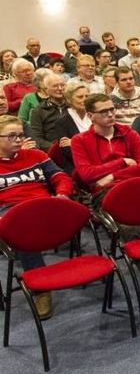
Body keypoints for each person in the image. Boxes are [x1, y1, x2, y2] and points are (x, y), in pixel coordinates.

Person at [70, 93, 140, 304]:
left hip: (134, 186)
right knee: (131, 222)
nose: (110, 114)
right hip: (106, 194)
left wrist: (109, 175)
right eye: (104, 112)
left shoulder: (129, 133)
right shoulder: (80, 140)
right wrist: (121, 163)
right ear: (91, 115)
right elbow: (87, 175)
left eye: (111, 109)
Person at [0, 114, 73, 320]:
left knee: (78, 213)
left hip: (44, 206)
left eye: (21, 135)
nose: (18, 140)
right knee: (23, 230)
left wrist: (62, 193)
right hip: (9, 212)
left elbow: (59, 176)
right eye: (11, 136)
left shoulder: (36, 156)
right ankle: (41, 288)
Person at [28, 72, 68, 151]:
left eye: (62, 85)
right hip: (51, 150)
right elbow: (36, 137)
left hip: (74, 146)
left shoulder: (73, 106)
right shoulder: (39, 110)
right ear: (46, 89)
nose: (60, 89)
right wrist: (55, 148)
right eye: (55, 86)